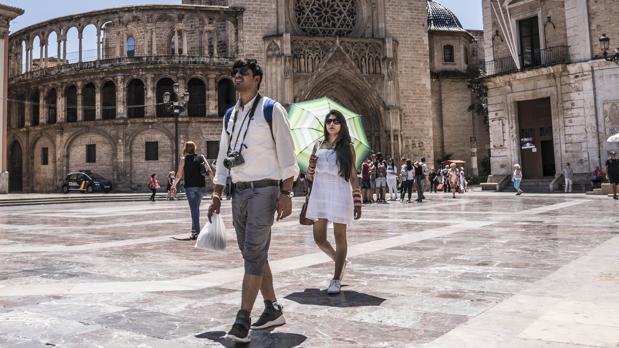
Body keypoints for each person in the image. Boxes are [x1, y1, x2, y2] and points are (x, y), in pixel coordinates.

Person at [207, 59, 299, 343]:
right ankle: (272, 308)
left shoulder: (272, 110)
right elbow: (224, 156)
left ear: (257, 78)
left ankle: (242, 318)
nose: (236, 76)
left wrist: (286, 193)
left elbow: (288, 154)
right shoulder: (230, 115)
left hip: (265, 190)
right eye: (234, 73)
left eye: (243, 73)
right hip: (239, 191)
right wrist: (216, 193)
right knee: (253, 253)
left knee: (254, 251)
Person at [306, 110, 362, 295]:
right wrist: (311, 166)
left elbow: (352, 175)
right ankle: (340, 261)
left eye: (336, 121)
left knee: (340, 236)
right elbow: (309, 176)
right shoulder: (318, 145)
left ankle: (336, 278)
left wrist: (357, 198)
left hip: (339, 192)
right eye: (329, 121)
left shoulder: (347, 147)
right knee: (319, 238)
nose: (332, 123)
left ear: (342, 125)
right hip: (320, 192)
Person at [172, 141, 213, 240]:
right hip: (201, 186)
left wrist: (173, 185)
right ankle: (194, 232)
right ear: (194, 148)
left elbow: (178, 175)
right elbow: (209, 170)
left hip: (190, 187)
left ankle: (198, 233)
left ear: (185, 149)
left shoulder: (183, 159)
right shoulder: (201, 157)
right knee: (196, 209)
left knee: (194, 210)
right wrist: (214, 182)